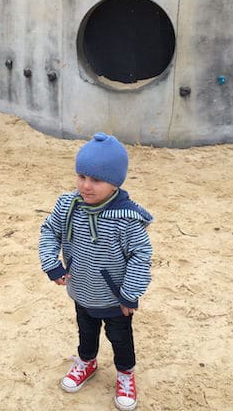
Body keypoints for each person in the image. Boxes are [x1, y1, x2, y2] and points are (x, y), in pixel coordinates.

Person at [38, 132, 153, 411]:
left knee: (120, 338)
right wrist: (52, 263)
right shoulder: (68, 206)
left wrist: (129, 294)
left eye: (96, 180)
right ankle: (87, 362)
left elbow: (141, 256)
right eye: (81, 176)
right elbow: (49, 231)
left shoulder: (125, 219)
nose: (86, 186)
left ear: (115, 183)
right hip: (81, 289)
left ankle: (125, 374)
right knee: (85, 331)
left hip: (115, 300)